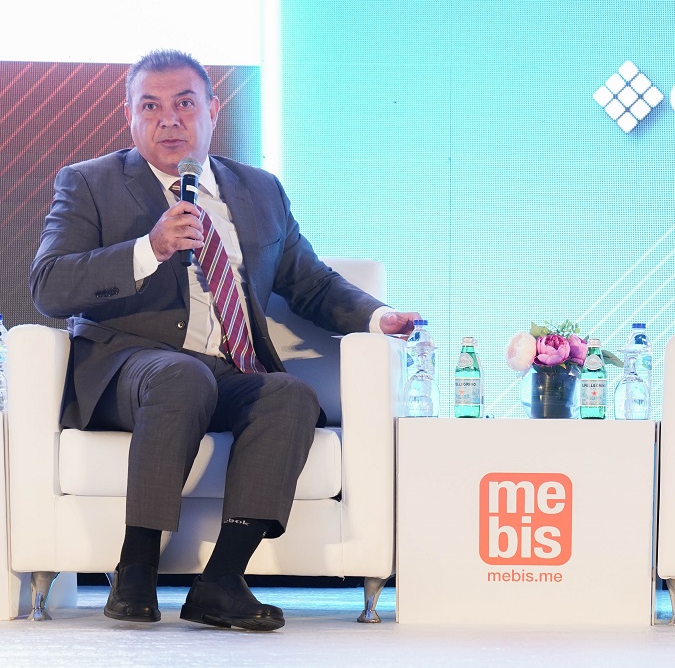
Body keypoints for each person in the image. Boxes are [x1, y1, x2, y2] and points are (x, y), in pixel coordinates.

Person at [30, 49, 420, 631]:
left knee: (289, 394)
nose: (169, 120)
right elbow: (48, 285)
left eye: (184, 104)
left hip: (228, 367)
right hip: (125, 368)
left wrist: (377, 316)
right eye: (151, 107)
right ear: (129, 118)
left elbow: (309, 282)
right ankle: (135, 567)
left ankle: (221, 582)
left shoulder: (260, 191)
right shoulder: (90, 184)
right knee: (179, 375)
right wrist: (149, 248)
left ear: (212, 111)